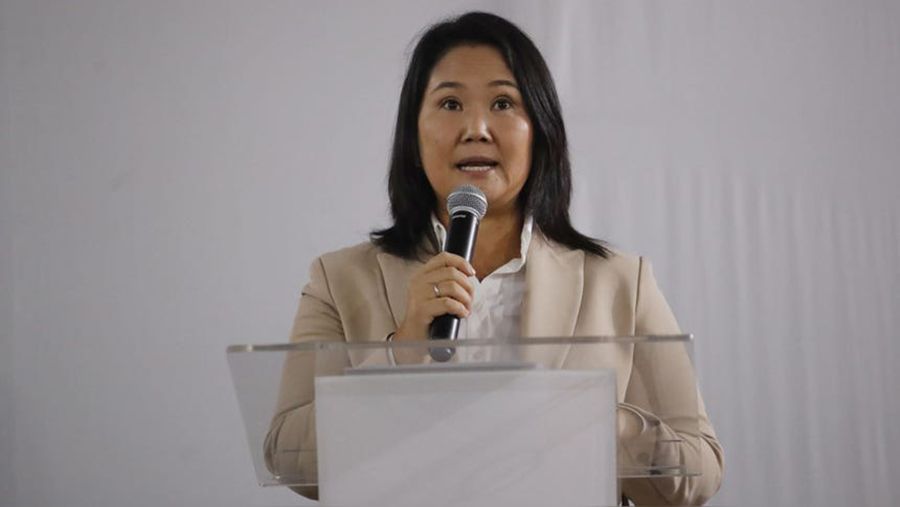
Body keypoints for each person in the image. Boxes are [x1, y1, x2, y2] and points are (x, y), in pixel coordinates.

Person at [265, 11, 724, 505]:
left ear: (539, 132)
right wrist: (403, 354)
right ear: (413, 137)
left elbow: (698, 475)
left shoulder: (620, 282)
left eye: (503, 103)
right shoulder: (339, 279)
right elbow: (290, 458)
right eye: (450, 103)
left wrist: (596, 418)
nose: (476, 128)